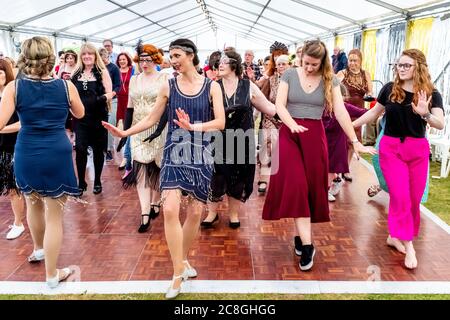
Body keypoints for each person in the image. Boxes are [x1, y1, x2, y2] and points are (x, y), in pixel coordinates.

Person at [102, 38, 225, 299]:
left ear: (191, 55)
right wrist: (125, 131)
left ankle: (183, 261)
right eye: (172, 55)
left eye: (177, 55)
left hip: (200, 152)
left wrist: (195, 127)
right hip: (173, 150)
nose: (173, 60)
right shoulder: (168, 86)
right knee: (169, 209)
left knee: (194, 213)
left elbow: (221, 122)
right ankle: (177, 272)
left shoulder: (212, 87)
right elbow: (151, 117)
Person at [262, 40, 375, 272]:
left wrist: (355, 142)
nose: (309, 68)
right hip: (290, 134)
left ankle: (299, 237)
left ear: (323, 63)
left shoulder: (329, 80)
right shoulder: (290, 76)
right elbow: (279, 105)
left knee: (309, 189)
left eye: (314, 64)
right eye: (305, 63)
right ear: (300, 59)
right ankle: (308, 244)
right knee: (295, 186)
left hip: (314, 136)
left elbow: (341, 111)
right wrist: (292, 125)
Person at [0, 36, 84, 288]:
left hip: (26, 150)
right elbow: (79, 113)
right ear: (50, 58)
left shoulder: (14, 88)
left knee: (32, 203)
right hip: (56, 151)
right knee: (54, 215)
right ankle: (51, 274)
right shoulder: (66, 87)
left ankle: (39, 249)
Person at [353, 49, 444, 270]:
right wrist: (349, 125)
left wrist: (425, 114)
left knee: (413, 199)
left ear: (418, 67)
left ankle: (394, 236)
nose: (401, 69)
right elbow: (373, 114)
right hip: (391, 149)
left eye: (406, 65)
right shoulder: (389, 90)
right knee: (401, 195)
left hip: (418, 150)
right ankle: (409, 245)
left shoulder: (431, 92)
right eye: (399, 65)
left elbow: (440, 123)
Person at [201, 51, 276, 229]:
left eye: (224, 61)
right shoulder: (213, 86)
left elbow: (269, 107)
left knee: (238, 177)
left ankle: (233, 214)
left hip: (242, 140)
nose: (220, 64)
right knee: (215, 176)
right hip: (218, 139)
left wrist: (289, 115)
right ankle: (212, 213)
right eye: (219, 61)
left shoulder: (248, 86)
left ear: (234, 64)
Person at [122, 42, 168, 233]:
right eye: (142, 60)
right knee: (140, 170)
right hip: (138, 130)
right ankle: (144, 213)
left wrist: (159, 130)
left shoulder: (164, 78)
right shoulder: (134, 79)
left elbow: (167, 107)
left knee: (156, 168)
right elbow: (130, 108)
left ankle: (156, 201)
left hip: (158, 128)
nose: (145, 63)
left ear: (155, 60)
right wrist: (126, 133)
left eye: (148, 60)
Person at [72, 43, 113, 195]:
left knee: (98, 150)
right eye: (84, 54)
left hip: (98, 117)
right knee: (81, 149)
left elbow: (111, 93)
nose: (87, 56)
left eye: (90, 54)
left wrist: (100, 98)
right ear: (81, 57)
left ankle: (97, 181)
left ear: (95, 56)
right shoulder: (76, 74)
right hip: (81, 118)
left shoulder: (102, 72)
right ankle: (81, 182)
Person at [337, 48, 373, 182]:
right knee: (341, 140)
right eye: (350, 60)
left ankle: (346, 168)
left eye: (355, 60)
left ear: (360, 61)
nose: (352, 63)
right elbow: (333, 88)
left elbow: (369, 91)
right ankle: (337, 167)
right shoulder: (342, 73)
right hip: (344, 110)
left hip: (358, 111)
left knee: (354, 141)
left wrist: (369, 96)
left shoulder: (365, 74)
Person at [0, 59, 26, 240]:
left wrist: (2, 128)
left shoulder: (15, 93)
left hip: (14, 146)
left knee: (14, 187)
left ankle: (19, 223)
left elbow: (23, 122)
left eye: (0, 72)